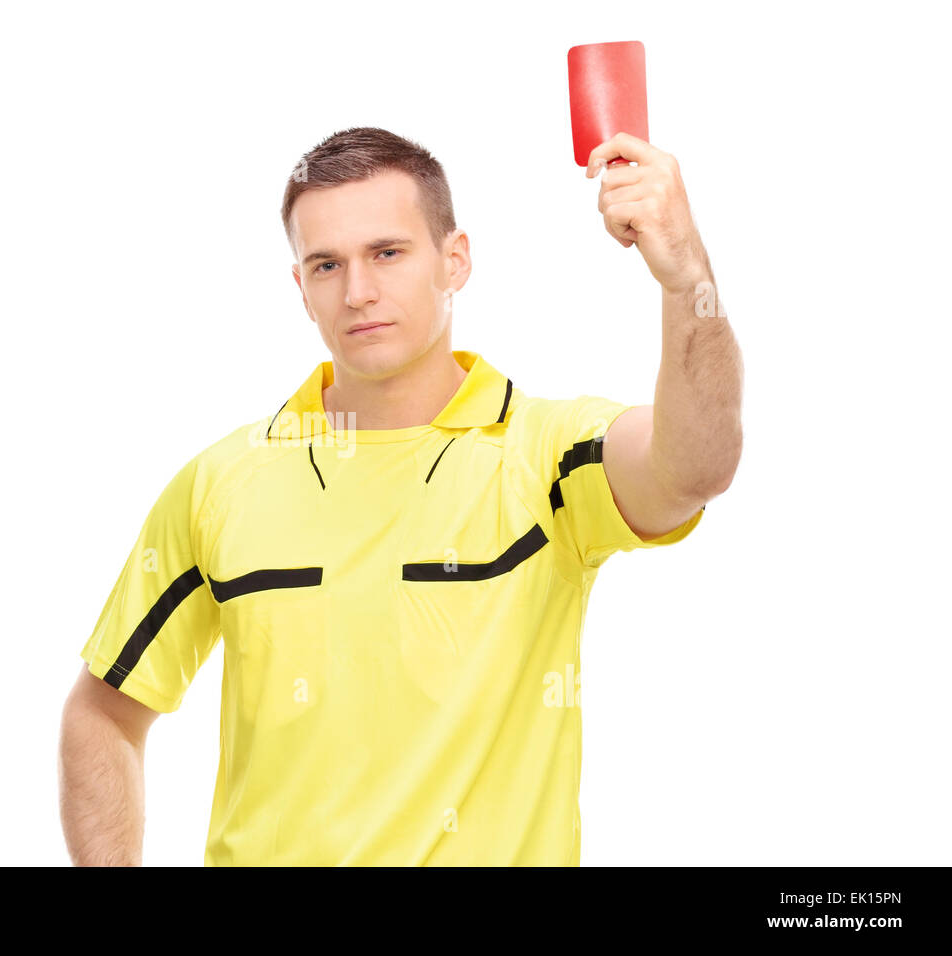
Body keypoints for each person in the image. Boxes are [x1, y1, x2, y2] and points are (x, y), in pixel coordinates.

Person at [58, 126, 743, 866]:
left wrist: (686, 280)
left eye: (387, 253)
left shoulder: (546, 457)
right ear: (301, 287)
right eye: (327, 264)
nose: (358, 292)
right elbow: (103, 713)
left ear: (455, 261)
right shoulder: (222, 482)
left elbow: (695, 466)